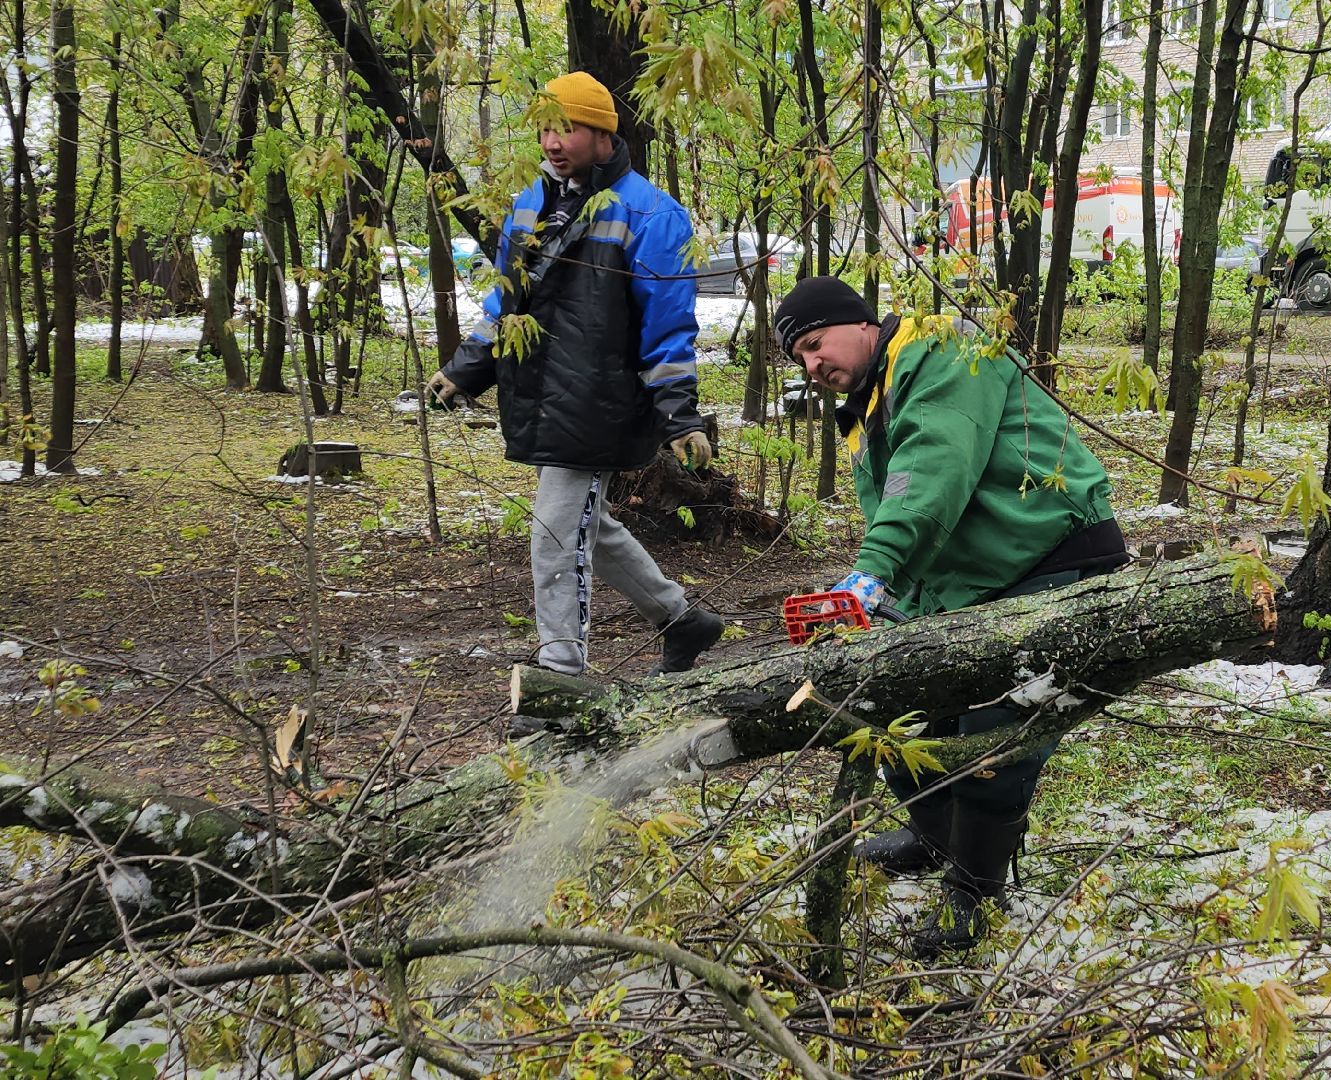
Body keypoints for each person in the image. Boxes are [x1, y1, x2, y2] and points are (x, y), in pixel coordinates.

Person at [774, 275, 1128, 956]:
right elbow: (911, 510)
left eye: (817, 345)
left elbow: (933, 473)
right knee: (901, 696)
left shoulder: (944, 353)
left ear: (859, 322)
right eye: (801, 360)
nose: (814, 366)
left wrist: (873, 573)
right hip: (972, 578)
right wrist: (892, 600)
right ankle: (933, 836)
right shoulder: (871, 398)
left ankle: (975, 890)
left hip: (1047, 557)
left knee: (994, 732)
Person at [427, 71, 724, 677]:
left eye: (568, 128)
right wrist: (463, 370)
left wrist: (678, 416)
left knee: (556, 537)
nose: (553, 141)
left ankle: (559, 675)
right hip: (541, 395)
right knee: (590, 524)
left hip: (602, 401)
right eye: (545, 128)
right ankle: (682, 619)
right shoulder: (529, 204)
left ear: (603, 134)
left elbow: (667, 328)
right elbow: (506, 305)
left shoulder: (652, 213)